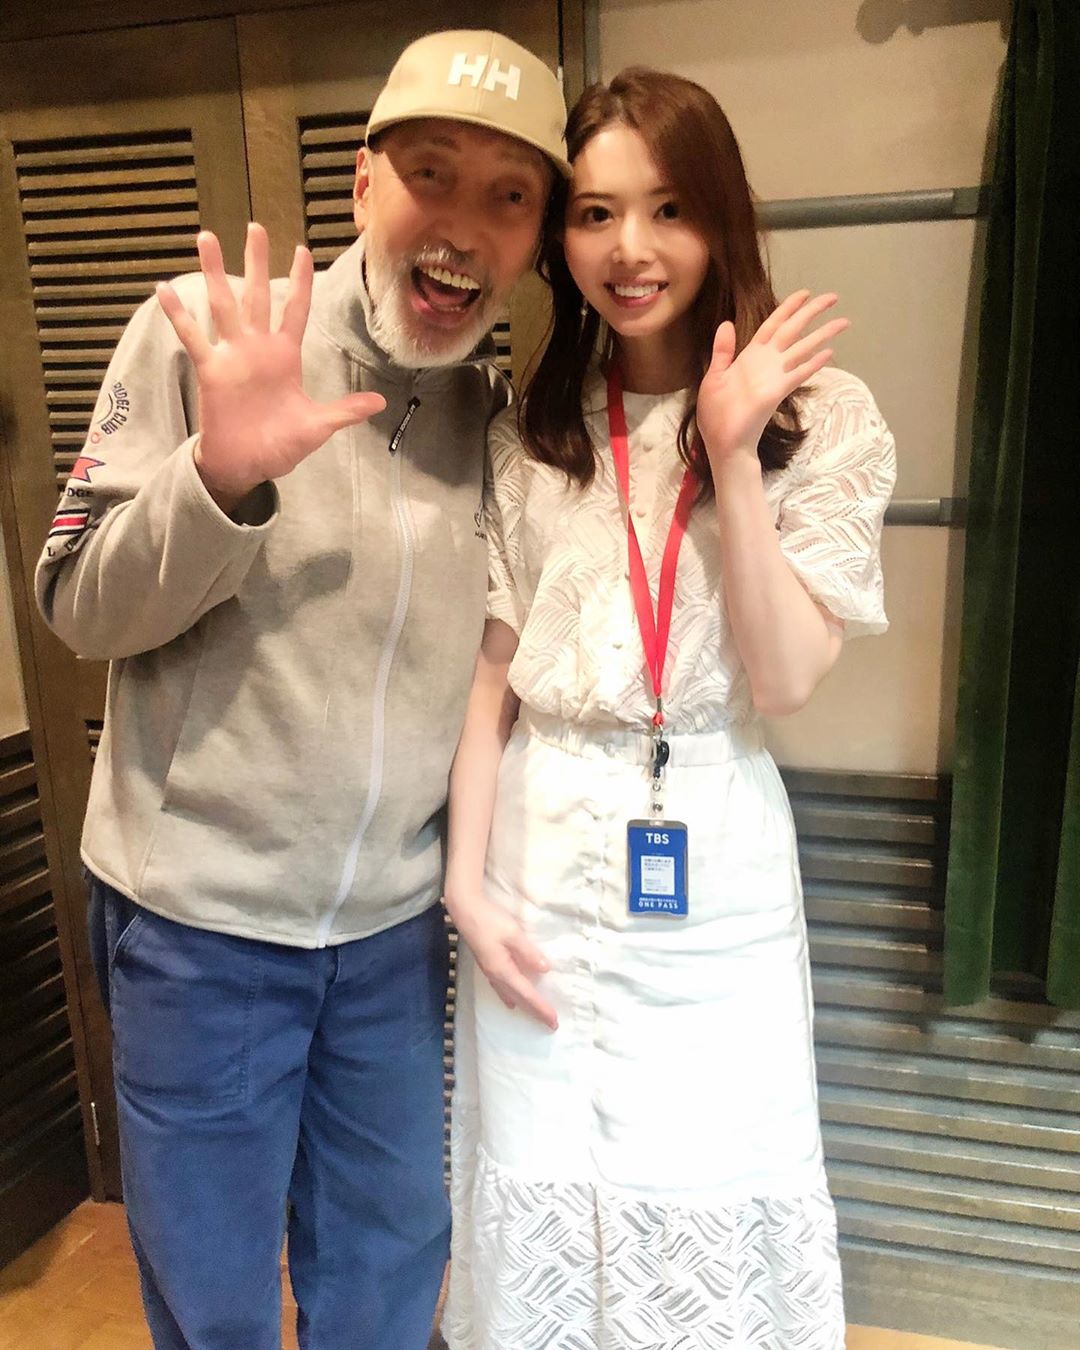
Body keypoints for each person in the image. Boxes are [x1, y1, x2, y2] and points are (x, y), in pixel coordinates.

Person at [34, 29, 568, 1350]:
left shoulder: (492, 413)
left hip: (391, 936)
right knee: (213, 1295)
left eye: (509, 197)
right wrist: (218, 481)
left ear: (535, 240)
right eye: (431, 174)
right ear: (362, 181)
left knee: (391, 1268)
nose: (462, 227)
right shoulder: (204, 333)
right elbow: (74, 600)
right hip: (201, 927)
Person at [442, 66, 896, 1347]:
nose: (629, 250)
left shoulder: (823, 415)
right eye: (595, 213)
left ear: (720, 216)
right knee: (535, 1156)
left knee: (708, 1166)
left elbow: (786, 676)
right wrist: (464, 886)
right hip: (536, 847)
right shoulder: (534, 425)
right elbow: (492, 675)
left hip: (711, 845)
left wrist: (733, 455)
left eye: (667, 209)